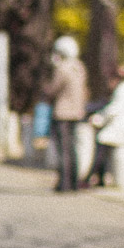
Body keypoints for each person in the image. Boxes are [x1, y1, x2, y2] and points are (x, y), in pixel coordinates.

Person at [86, 66, 124, 188]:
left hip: (121, 127)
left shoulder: (123, 90)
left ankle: (93, 176)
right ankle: (98, 177)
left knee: (101, 142)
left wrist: (99, 119)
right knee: (102, 142)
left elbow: (114, 109)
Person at [45, 35, 89, 192]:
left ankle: (64, 183)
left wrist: (46, 89)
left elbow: (53, 89)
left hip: (62, 113)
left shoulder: (62, 68)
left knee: (63, 149)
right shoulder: (79, 67)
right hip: (76, 112)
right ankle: (74, 182)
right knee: (72, 148)